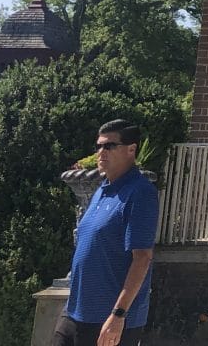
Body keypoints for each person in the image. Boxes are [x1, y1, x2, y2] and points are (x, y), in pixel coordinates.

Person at [54, 120, 159, 346]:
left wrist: (118, 315)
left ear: (131, 149)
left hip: (108, 318)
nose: (101, 152)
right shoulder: (102, 189)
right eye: (98, 146)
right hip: (75, 311)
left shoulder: (140, 193)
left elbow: (142, 258)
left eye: (109, 146)